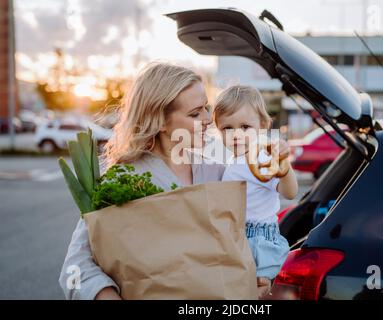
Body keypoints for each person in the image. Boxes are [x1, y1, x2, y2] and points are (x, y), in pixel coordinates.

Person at [59, 62, 225, 300]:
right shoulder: (123, 180)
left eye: (206, 108)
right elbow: (73, 268)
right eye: (195, 113)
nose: (209, 119)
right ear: (160, 121)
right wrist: (104, 294)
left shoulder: (217, 171)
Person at [213, 85, 298, 298]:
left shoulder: (262, 159)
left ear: (262, 126)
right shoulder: (235, 161)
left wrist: (284, 167)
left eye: (244, 127)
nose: (236, 135)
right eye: (227, 128)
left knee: (253, 291)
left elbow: (290, 192)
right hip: (241, 236)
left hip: (258, 240)